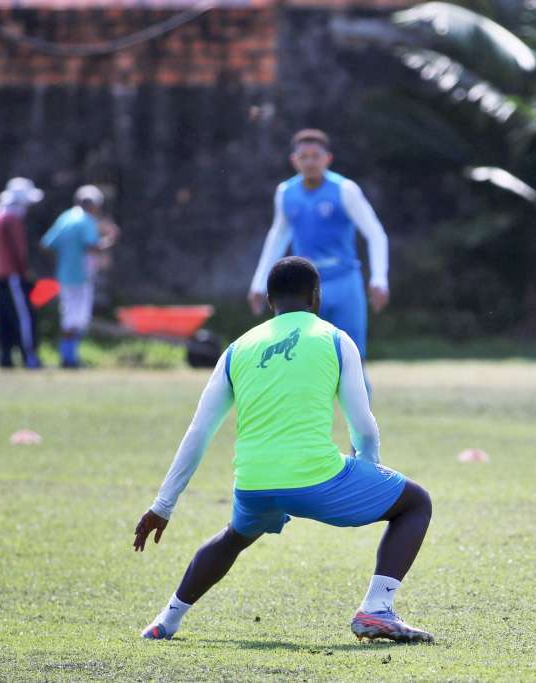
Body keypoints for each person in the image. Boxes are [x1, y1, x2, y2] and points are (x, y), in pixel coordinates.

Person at [134, 256, 433, 643]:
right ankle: (376, 609)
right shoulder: (336, 338)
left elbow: (199, 431)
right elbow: (362, 424)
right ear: (315, 296)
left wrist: (163, 505)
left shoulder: (237, 348)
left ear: (270, 301)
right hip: (317, 477)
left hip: (254, 483)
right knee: (416, 503)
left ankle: (166, 621)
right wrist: (369, 468)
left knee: (234, 538)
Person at [248, 129, 389, 365]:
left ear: (328, 159)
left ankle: (360, 401)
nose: (310, 162)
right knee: (301, 356)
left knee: (352, 358)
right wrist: (259, 283)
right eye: (304, 157)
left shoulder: (345, 190)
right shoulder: (286, 193)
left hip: (344, 282)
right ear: (294, 161)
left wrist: (379, 279)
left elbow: (375, 233)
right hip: (304, 287)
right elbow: (278, 236)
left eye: (316, 156)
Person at [39, 185, 116, 368]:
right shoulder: (86, 221)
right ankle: (69, 358)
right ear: (93, 205)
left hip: (65, 274)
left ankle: (68, 356)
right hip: (81, 275)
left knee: (69, 316)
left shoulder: (65, 218)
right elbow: (92, 247)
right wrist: (110, 241)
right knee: (78, 318)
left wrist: (66, 256)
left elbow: (47, 244)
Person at [0, 177, 43, 369]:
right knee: (24, 317)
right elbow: (18, 250)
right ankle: (30, 357)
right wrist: (25, 271)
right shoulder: (12, 217)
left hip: (1, 274)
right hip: (13, 275)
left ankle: (5, 357)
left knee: (4, 318)